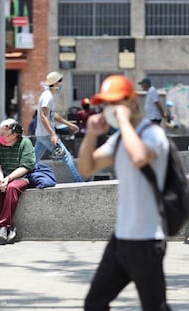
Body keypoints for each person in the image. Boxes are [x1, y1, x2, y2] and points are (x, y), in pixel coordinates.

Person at [77, 75, 172, 311]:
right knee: (94, 303)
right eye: (106, 105)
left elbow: (139, 157)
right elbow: (87, 167)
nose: (109, 109)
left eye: (114, 103)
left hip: (148, 241)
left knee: (155, 307)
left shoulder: (153, 134)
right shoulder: (119, 138)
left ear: (131, 103)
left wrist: (126, 122)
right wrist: (91, 135)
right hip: (121, 240)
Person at [0, 119, 35, 244]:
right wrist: (1, 179)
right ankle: (9, 226)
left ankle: (3, 227)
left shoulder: (25, 142)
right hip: (0, 176)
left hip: (19, 176)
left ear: (14, 134)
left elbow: (27, 165)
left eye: (3, 134)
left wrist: (9, 179)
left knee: (12, 188)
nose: (0, 136)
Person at [34, 71, 83, 182]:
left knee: (32, 161)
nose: (60, 84)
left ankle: (19, 177)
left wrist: (69, 124)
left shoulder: (47, 95)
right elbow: (43, 117)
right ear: (55, 83)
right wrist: (52, 134)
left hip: (42, 134)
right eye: (59, 82)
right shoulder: (47, 97)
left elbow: (52, 115)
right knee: (66, 156)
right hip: (47, 134)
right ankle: (79, 181)